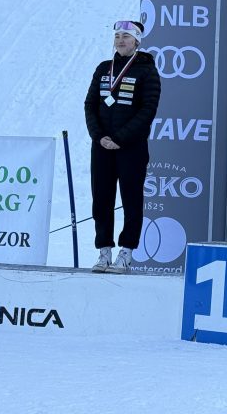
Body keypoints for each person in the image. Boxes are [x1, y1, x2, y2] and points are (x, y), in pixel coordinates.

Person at [84, 20, 161, 273]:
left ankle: (126, 252)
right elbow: (90, 105)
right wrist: (99, 137)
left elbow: (148, 110)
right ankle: (103, 251)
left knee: (131, 200)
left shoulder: (147, 71)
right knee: (101, 200)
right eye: (117, 36)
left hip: (131, 147)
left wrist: (120, 138)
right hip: (102, 147)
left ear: (136, 41)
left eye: (126, 37)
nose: (120, 41)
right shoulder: (103, 68)